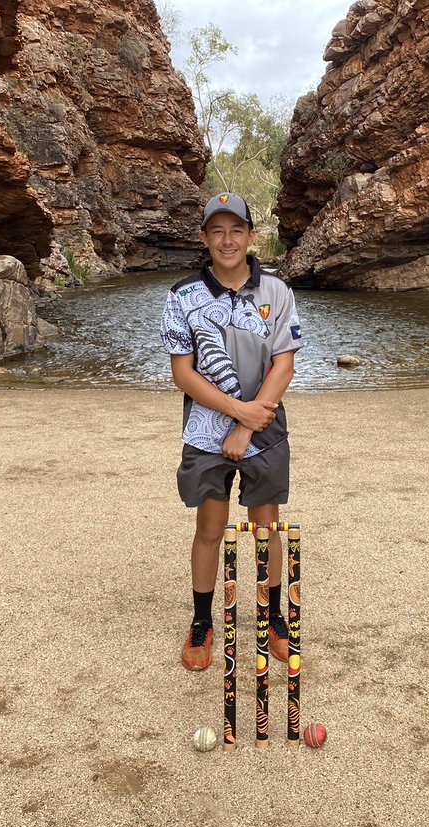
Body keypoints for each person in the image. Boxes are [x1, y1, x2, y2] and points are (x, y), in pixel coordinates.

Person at [160, 192, 304, 671]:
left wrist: (250, 421)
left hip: (265, 425)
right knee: (209, 529)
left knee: (267, 525)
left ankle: (273, 617)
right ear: (205, 238)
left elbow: (283, 364)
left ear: (250, 235)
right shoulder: (182, 296)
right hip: (206, 432)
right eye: (217, 231)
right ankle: (202, 622)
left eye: (236, 229)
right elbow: (184, 372)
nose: (227, 240)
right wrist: (236, 414)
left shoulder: (277, 293)